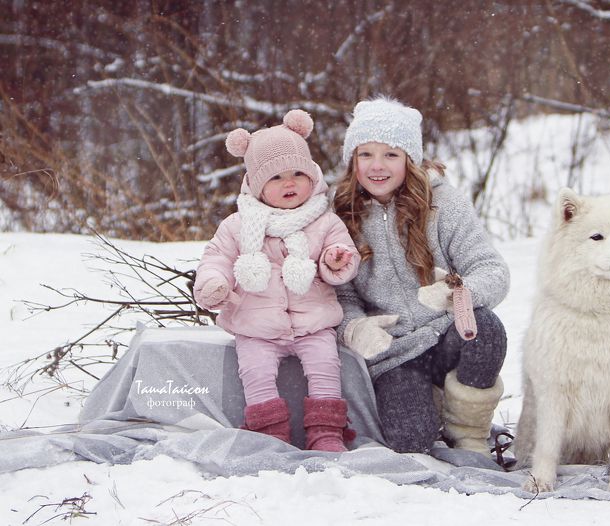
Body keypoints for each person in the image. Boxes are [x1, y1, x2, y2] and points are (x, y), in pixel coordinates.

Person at [333, 97, 510, 455]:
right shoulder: (340, 213)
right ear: (352, 160)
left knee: (486, 328)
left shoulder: (443, 204)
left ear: (410, 159)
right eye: (365, 154)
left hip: (444, 335)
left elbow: (493, 271)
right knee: (411, 442)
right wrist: (354, 328)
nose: (377, 166)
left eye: (391, 155)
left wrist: (457, 295)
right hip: (393, 352)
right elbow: (341, 297)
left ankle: (468, 432)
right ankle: (428, 403)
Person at [194, 109, 360, 452]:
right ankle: (269, 431)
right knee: (255, 373)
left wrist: (335, 260)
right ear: (257, 185)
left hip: (313, 323)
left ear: (312, 177)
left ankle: (326, 431)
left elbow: (341, 254)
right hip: (256, 326)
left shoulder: (324, 221)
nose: (289, 183)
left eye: (298, 173)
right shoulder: (237, 227)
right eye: (276, 177)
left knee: (326, 366)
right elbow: (216, 259)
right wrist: (214, 284)